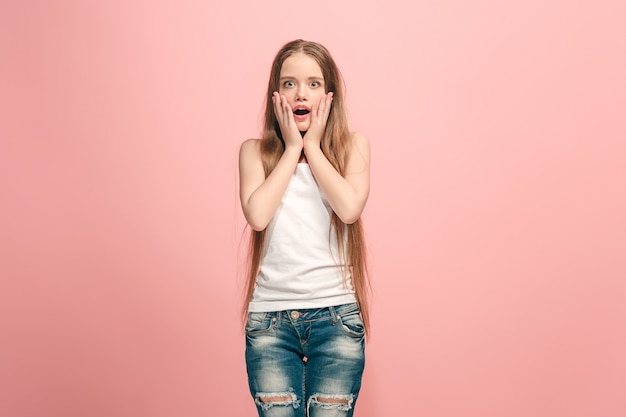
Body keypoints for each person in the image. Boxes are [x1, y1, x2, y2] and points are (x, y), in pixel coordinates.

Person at [238, 39, 371, 417]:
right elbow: (258, 215)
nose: (300, 92)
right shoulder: (254, 152)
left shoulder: (353, 147)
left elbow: (348, 209)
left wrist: (312, 147)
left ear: (329, 95)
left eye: (313, 83)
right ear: (275, 94)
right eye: (289, 83)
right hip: (270, 324)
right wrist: (292, 149)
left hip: (337, 318)